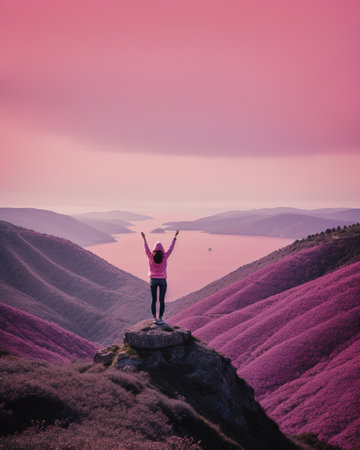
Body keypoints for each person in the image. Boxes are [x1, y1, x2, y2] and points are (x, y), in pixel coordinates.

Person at [141, 230, 179, 324]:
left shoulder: (150, 256)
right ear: (162, 249)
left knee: (153, 300)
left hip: (153, 280)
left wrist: (144, 238)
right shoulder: (165, 256)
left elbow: (146, 248)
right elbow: (171, 247)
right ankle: (160, 318)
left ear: (154, 249)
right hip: (162, 281)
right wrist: (174, 236)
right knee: (161, 300)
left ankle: (154, 318)